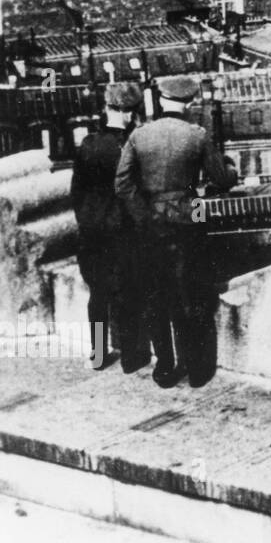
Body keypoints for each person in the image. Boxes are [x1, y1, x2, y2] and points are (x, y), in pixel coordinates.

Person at [115, 76, 238, 388]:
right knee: (191, 296)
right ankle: (195, 368)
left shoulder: (140, 135)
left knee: (156, 297)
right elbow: (222, 179)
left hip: (150, 228)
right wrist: (230, 168)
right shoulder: (196, 135)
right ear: (190, 102)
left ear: (161, 100)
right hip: (187, 222)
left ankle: (165, 368)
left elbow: (123, 184)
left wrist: (144, 217)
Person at [72, 82, 148, 373]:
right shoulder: (134, 145)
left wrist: (88, 219)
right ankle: (130, 358)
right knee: (128, 294)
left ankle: (99, 354)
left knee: (98, 295)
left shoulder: (89, 144)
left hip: (92, 232)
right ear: (133, 112)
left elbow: (76, 192)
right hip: (124, 231)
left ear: (106, 108)